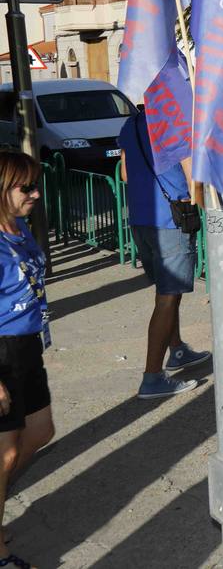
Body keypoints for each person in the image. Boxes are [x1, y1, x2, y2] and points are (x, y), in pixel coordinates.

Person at [119, 106, 210, 400]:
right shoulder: (175, 124)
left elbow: (124, 174)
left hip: (141, 219)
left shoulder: (130, 126)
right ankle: (152, 377)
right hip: (171, 221)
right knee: (168, 300)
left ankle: (177, 349)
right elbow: (193, 179)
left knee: (165, 293)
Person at [0, 152, 54, 569]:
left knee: (39, 432)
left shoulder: (17, 228)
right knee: (5, 454)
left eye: (37, 184)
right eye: (26, 187)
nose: (36, 193)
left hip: (27, 347)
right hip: (2, 353)